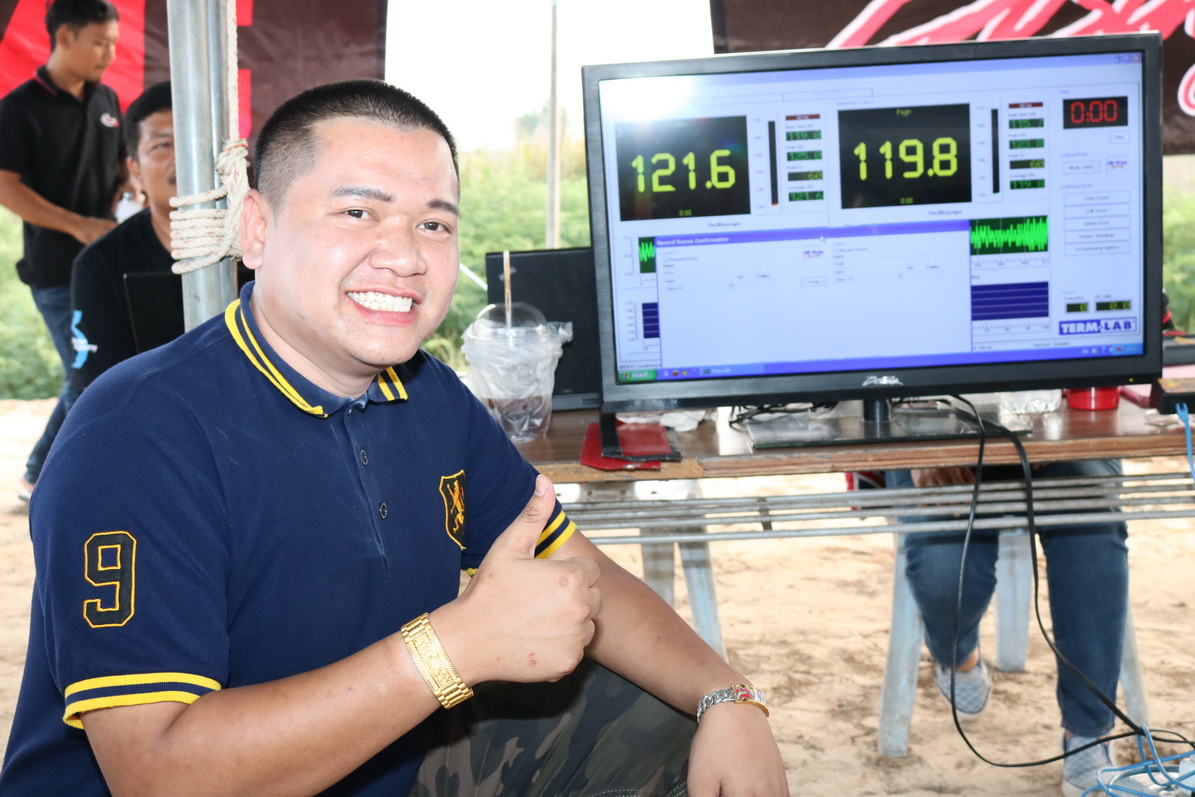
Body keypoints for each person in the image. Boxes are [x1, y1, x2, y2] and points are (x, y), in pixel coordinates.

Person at [0, 79, 789, 796]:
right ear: (257, 229)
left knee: (663, 725)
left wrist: (726, 696)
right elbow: (157, 774)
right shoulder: (138, 433)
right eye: (358, 212)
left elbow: (576, 572)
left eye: (433, 223)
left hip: (386, 763)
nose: (406, 256)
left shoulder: (428, 395)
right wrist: (450, 648)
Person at [885, 459, 1127, 797]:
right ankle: (959, 655)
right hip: (937, 444)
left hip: (1064, 446)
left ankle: (1088, 731)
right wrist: (922, 449)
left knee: (1089, 528)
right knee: (943, 566)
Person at [0, 0, 124, 503]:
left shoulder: (108, 98)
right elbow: (6, 187)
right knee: (87, 372)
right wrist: (79, 226)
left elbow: (121, 165)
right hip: (55, 270)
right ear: (65, 37)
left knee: (98, 368)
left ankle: (45, 470)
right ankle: (43, 474)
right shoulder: (18, 107)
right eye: (99, 42)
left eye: (113, 43)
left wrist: (127, 189)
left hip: (109, 263)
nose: (109, 54)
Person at [69, 80, 176, 392]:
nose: (184, 157)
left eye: (194, 138)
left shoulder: (264, 240)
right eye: (163, 145)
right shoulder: (101, 264)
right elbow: (100, 389)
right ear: (135, 169)